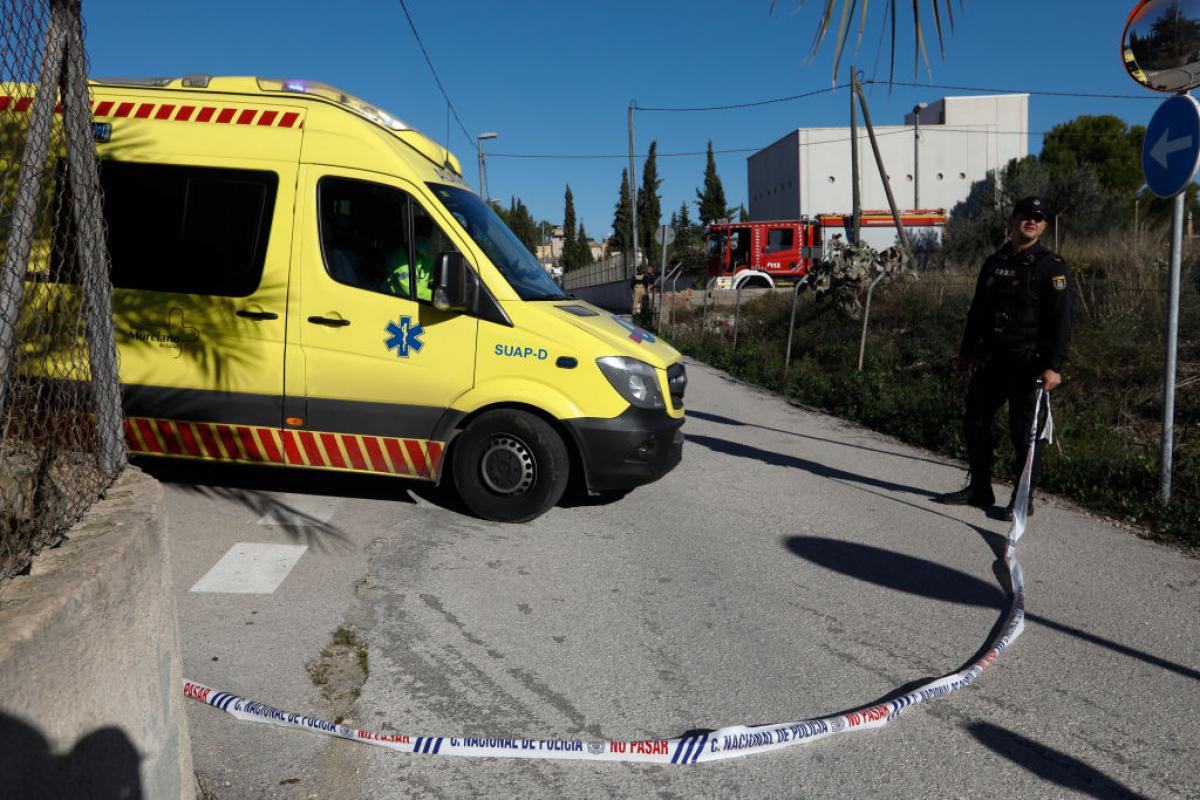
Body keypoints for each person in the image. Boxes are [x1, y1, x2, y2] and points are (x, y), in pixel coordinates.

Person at [936, 196, 1072, 520]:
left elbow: (1062, 320)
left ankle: (1022, 499)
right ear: (1012, 221)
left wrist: (1054, 366)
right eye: (1026, 215)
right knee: (975, 422)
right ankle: (980, 487)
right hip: (993, 359)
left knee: (1023, 432)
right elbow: (977, 314)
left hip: (1029, 363)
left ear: (1044, 225)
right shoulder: (994, 263)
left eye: (1039, 217)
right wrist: (965, 355)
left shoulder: (1051, 266)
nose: (1032, 221)